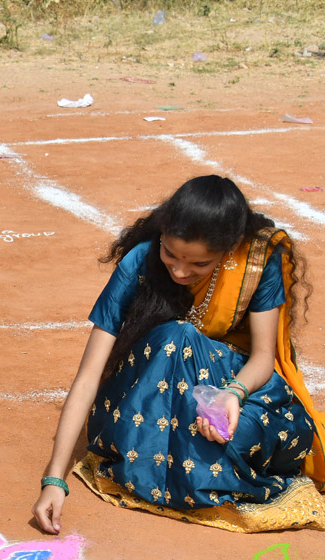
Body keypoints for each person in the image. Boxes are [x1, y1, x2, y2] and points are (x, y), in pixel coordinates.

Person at [32, 175, 325, 534]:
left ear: (230, 249)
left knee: (246, 439)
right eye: (169, 254)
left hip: (228, 380)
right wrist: (54, 479)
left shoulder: (256, 263)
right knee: (177, 336)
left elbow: (263, 357)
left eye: (199, 264)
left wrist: (231, 395)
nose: (180, 270)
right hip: (149, 389)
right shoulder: (139, 261)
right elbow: (89, 375)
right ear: (162, 233)